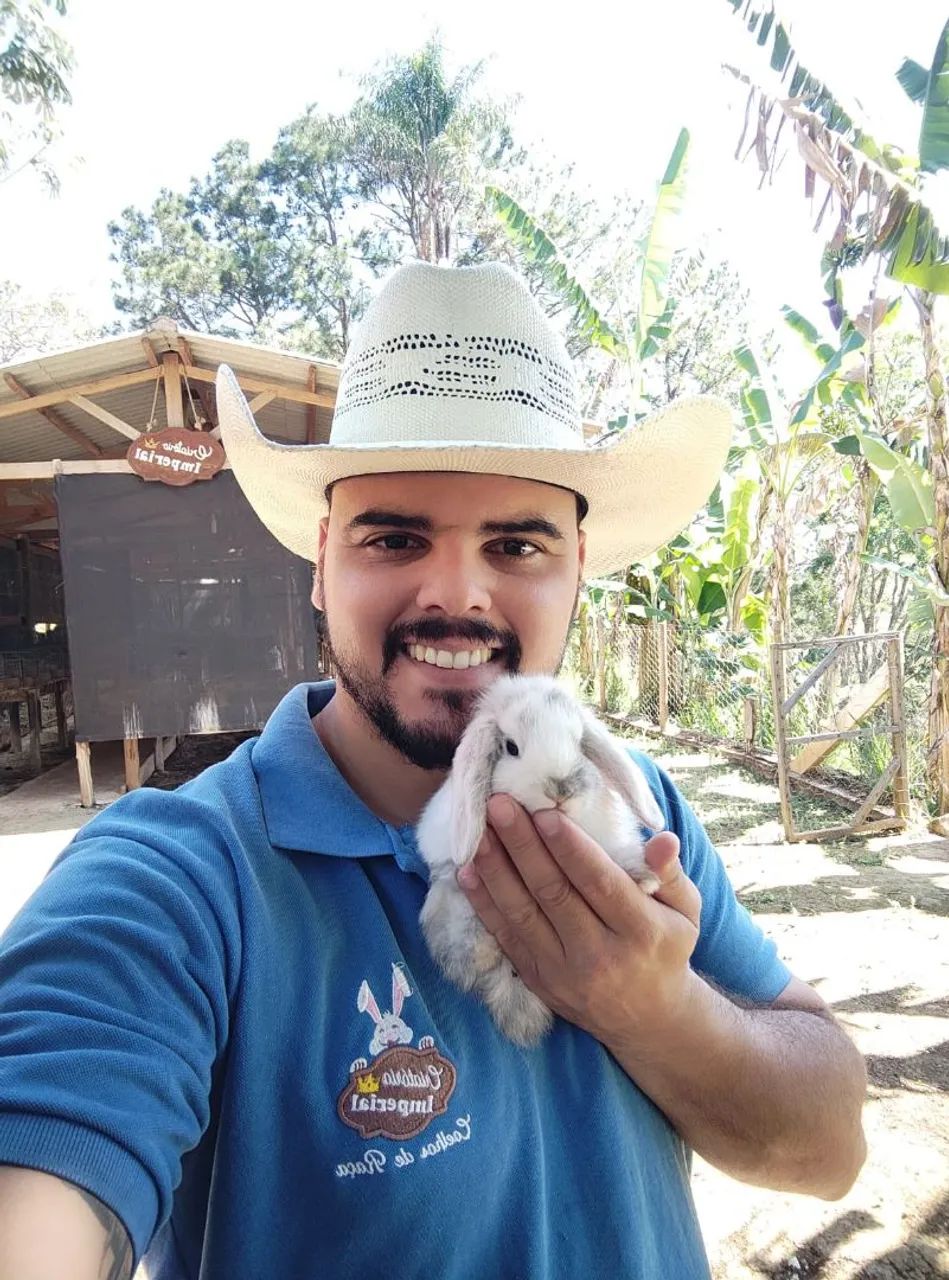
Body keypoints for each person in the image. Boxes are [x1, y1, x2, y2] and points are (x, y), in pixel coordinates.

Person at [0, 262, 866, 1280]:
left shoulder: (638, 814)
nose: (455, 591)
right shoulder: (189, 880)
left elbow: (827, 1148)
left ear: (576, 566)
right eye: (395, 536)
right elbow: (51, 1147)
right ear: (322, 562)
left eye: (516, 543)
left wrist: (650, 1004)